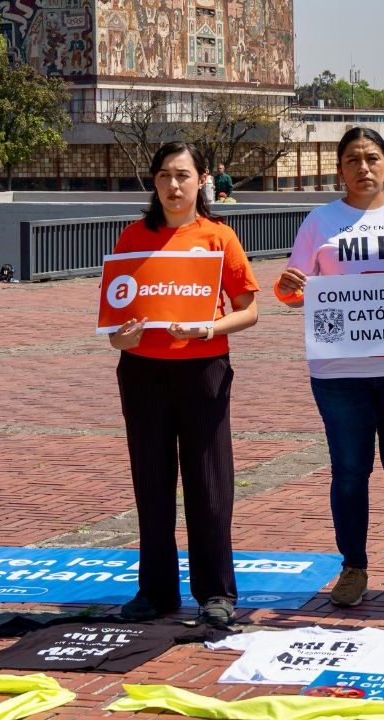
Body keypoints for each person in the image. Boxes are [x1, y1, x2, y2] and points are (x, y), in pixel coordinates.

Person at [275, 127, 384, 608]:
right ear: (339, 169)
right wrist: (289, 286)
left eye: (373, 158)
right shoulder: (320, 221)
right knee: (349, 472)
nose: (364, 167)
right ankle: (353, 567)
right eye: (353, 159)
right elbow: (296, 292)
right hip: (339, 373)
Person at [108, 141, 259, 626]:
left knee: (209, 482)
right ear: (154, 183)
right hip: (143, 372)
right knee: (151, 482)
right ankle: (155, 591)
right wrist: (121, 338)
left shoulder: (219, 237)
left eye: (183, 175)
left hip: (204, 370)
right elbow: (114, 322)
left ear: (202, 179)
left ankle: (216, 593)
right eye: (164, 177)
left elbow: (249, 310)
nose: (174, 186)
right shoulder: (133, 238)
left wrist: (209, 328)